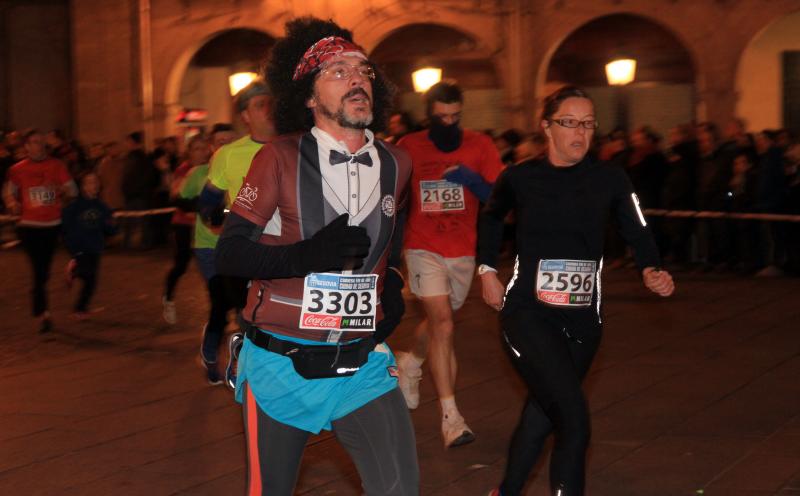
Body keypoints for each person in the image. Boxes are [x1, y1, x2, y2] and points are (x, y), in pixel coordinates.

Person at [214, 17, 417, 495]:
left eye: (363, 70)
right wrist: (309, 254)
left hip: (361, 365)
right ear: (308, 96)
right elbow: (231, 253)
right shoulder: (279, 158)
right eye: (337, 71)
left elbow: (392, 243)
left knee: (401, 490)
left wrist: (390, 287)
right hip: (282, 365)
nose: (356, 79)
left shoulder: (397, 163)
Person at [478, 86, 675, 496]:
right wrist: (486, 270)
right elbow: (492, 217)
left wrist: (651, 266)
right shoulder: (520, 177)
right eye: (570, 123)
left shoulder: (610, 178)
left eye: (588, 124)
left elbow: (635, 226)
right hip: (528, 312)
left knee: (543, 412)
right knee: (573, 417)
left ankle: (506, 491)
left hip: (584, 318)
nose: (580, 133)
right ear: (547, 127)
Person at [394, 80, 505, 448]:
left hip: (462, 249)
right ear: (430, 116)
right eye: (441, 118)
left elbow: (501, 199)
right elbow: (390, 195)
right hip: (422, 245)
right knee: (443, 323)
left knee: (442, 321)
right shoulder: (409, 147)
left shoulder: (480, 145)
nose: (449, 123)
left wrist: (472, 180)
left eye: (455, 117)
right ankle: (451, 418)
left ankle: (411, 361)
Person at [195, 80, 273, 383]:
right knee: (246, 314)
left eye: (271, 103)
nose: (268, 110)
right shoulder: (228, 154)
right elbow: (208, 200)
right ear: (245, 116)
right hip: (243, 249)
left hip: (286, 248)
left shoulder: (295, 146)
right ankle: (245, 362)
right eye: (259, 105)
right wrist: (216, 217)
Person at [3, 129, 77, 332]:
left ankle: (40, 305)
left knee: (43, 269)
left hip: (52, 225)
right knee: (39, 269)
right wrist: (12, 203)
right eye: (35, 142)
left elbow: (73, 189)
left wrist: (61, 190)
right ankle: (43, 313)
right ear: (26, 146)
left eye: (42, 142)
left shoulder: (56, 165)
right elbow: (9, 192)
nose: (39, 145)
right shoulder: (17, 169)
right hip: (28, 226)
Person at [162, 136, 211, 324]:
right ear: (189, 152)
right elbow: (176, 197)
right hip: (184, 224)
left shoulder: (213, 168)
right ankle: (169, 297)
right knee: (181, 265)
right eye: (196, 148)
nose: (200, 152)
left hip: (207, 227)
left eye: (203, 148)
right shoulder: (184, 170)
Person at [61, 171, 116, 318]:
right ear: (83, 186)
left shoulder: (102, 207)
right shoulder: (75, 206)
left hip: (95, 246)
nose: (94, 185)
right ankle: (74, 271)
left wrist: (112, 225)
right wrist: (69, 241)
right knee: (89, 275)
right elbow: (64, 224)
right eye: (90, 182)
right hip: (79, 246)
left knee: (91, 281)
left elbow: (110, 229)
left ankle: (80, 308)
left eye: (96, 182)